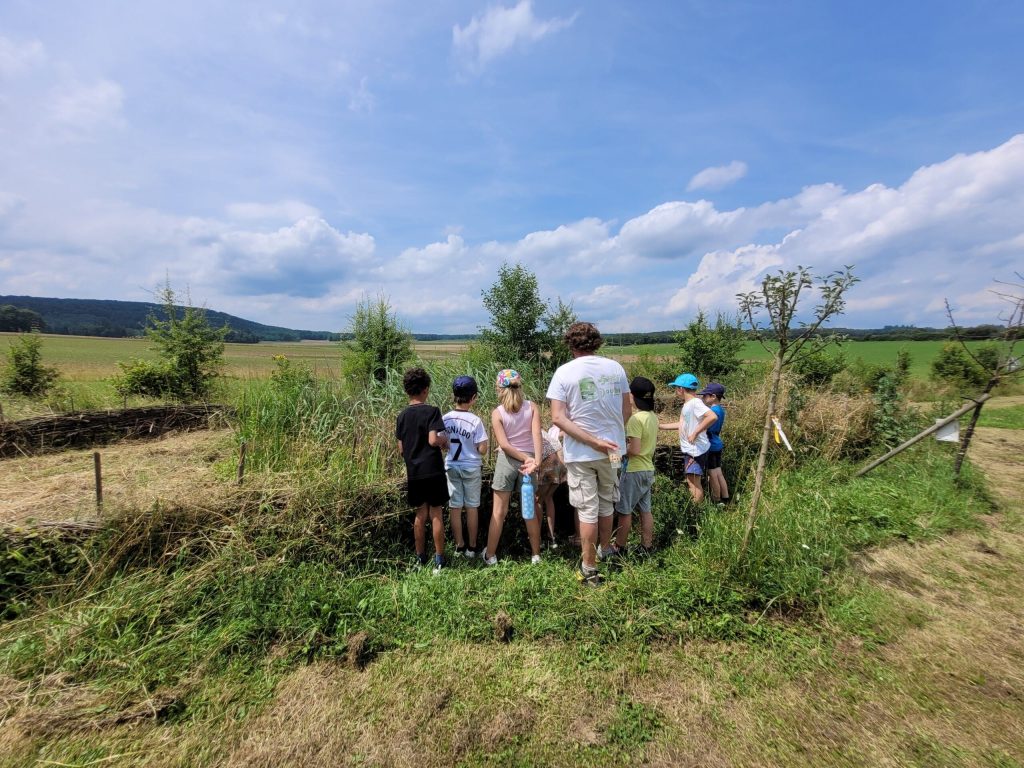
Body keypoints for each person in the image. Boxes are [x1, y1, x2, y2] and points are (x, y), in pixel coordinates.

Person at [546, 322, 630, 587]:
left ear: (571, 344)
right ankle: (606, 550)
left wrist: (593, 441)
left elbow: (558, 418)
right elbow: (626, 410)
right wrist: (610, 436)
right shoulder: (615, 368)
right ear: (597, 342)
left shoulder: (564, 372)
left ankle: (589, 568)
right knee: (607, 502)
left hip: (581, 453)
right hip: (613, 451)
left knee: (586, 508)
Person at [482, 369, 542, 565]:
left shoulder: (497, 413)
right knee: (529, 510)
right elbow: (537, 435)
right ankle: (536, 555)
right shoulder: (532, 407)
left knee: (499, 512)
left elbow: (505, 445)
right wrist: (535, 461)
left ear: (499, 389)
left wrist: (524, 458)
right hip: (529, 465)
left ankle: (490, 555)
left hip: (507, 462)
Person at [396, 367, 449, 574]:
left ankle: (420, 557)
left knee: (420, 514)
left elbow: (401, 449)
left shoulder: (402, 416)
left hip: (415, 472)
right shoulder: (432, 411)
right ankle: (439, 559)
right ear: (426, 389)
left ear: (407, 390)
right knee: (436, 513)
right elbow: (433, 439)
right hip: (433, 470)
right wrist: (444, 442)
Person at [608, 377, 659, 557]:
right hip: (648, 469)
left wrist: (620, 451)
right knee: (645, 510)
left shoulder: (635, 420)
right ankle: (647, 546)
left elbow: (635, 450)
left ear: (632, 395)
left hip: (634, 470)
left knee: (624, 511)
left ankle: (619, 547)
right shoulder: (652, 417)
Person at [443, 375, 489, 558]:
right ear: (473, 397)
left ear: (454, 396)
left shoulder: (446, 418)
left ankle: (459, 545)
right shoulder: (475, 421)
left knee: (455, 507)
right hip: (471, 467)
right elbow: (482, 449)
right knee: (471, 507)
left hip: (452, 466)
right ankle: (472, 547)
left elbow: (442, 442)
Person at [660, 373, 717, 505]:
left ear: (681, 389)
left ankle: (696, 511)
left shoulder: (694, 403)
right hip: (692, 449)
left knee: (693, 483)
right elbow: (682, 424)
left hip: (695, 450)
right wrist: (660, 426)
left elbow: (712, 416)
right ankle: (696, 508)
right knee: (692, 481)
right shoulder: (688, 404)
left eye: (676, 388)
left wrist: (695, 433)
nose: (675, 391)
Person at [535, 424, 567, 549]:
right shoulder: (544, 433)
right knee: (548, 498)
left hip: (547, 464)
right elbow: (558, 447)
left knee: (537, 500)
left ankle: (537, 538)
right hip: (559, 465)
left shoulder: (530, 431)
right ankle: (551, 537)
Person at [699, 381, 730, 505]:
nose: (703, 397)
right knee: (718, 472)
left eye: (705, 395)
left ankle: (717, 500)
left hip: (710, 445)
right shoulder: (720, 410)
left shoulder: (712, 412)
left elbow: (707, 428)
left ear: (713, 397)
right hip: (717, 443)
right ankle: (725, 497)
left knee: (712, 473)